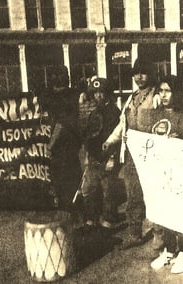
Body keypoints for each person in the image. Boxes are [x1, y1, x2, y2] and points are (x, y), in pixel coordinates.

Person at [141, 75, 183, 274]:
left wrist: (180, 142)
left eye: (168, 90)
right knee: (163, 213)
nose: (163, 95)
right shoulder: (155, 114)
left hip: (181, 175)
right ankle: (168, 250)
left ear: (177, 92)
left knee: (181, 214)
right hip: (160, 174)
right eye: (160, 91)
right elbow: (143, 130)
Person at [103, 57, 156, 249]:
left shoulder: (157, 96)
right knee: (133, 194)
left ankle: (162, 237)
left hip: (153, 156)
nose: (139, 77)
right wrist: (110, 141)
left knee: (155, 193)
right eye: (136, 73)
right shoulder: (131, 98)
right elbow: (122, 124)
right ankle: (135, 233)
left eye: (143, 72)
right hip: (132, 155)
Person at [79, 77, 122, 229]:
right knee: (91, 189)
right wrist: (87, 156)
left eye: (102, 92)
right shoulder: (94, 112)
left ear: (107, 93)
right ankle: (91, 218)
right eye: (95, 93)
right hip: (94, 157)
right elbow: (89, 136)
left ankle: (109, 219)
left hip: (106, 157)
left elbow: (117, 136)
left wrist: (112, 158)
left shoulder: (114, 112)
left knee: (108, 190)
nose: (98, 96)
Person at [41, 65, 82, 212]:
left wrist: (50, 145)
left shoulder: (68, 96)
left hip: (65, 144)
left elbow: (61, 123)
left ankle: (68, 210)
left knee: (64, 178)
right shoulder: (71, 94)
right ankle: (69, 208)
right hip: (65, 143)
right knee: (63, 178)